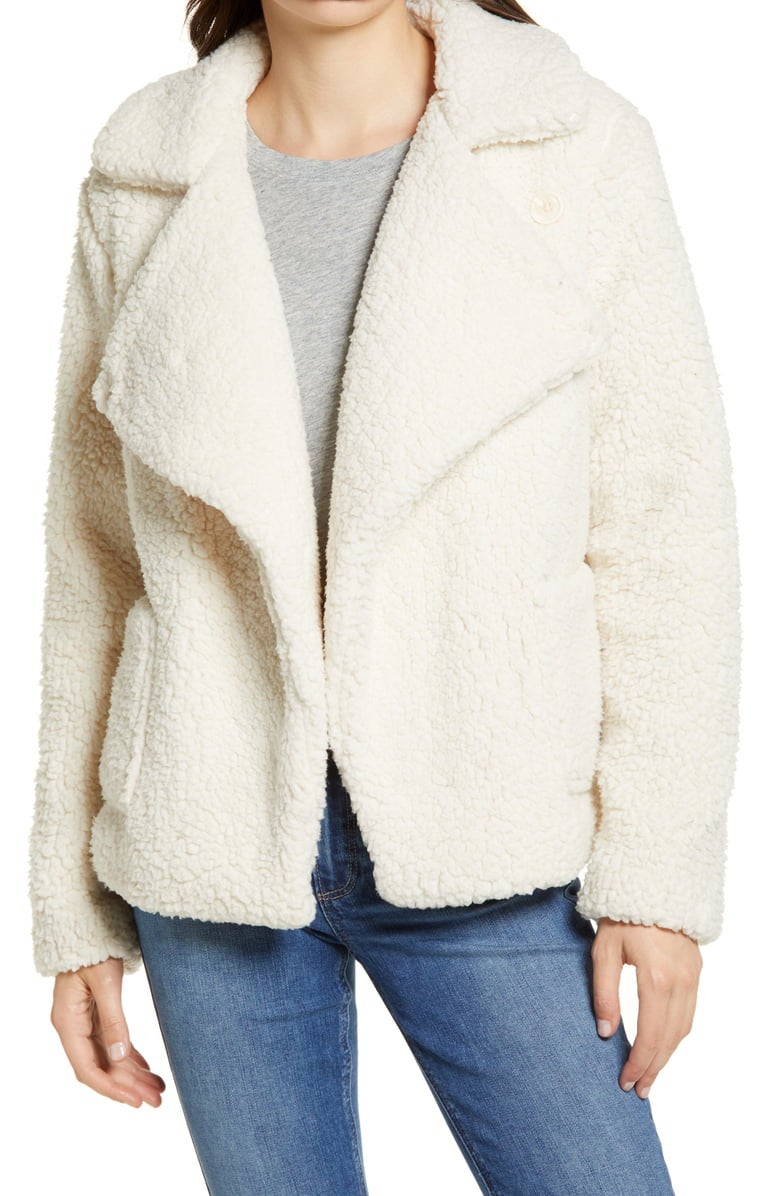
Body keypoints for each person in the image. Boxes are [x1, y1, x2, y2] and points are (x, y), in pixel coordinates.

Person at [28, 0, 741, 1192]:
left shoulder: (568, 144)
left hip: (494, 827)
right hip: (211, 842)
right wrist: (72, 907)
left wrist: (659, 876)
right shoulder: (145, 173)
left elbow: (664, 532)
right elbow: (92, 561)